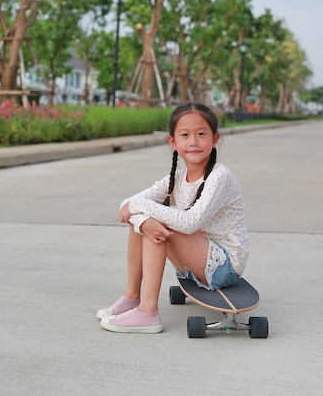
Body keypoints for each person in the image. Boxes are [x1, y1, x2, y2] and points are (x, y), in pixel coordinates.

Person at [97, 102, 249, 333]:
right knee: (147, 223)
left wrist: (141, 211)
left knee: (158, 223)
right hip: (193, 261)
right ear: (173, 143)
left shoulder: (220, 177)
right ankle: (132, 296)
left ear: (215, 138)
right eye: (185, 135)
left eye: (201, 134)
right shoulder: (177, 177)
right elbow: (127, 205)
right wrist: (143, 220)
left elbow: (189, 223)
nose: (193, 142)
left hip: (224, 265)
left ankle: (148, 312)